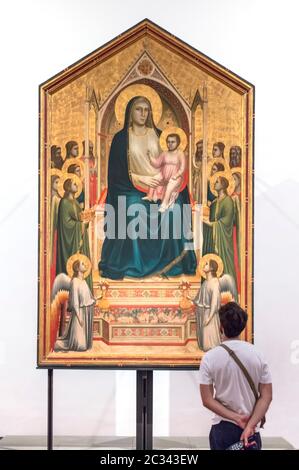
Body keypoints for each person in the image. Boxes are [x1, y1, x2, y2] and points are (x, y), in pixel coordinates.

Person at [98, 95, 197, 279]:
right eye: (139, 109)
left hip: (160, 187)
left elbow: (172, 163)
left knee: (174, 209)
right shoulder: (121, 139)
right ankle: (134, 264)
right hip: (130, 188)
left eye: (146, 110)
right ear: (129, 111)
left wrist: (172, 187)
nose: (143, 113)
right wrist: (139, 177)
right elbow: (115, 174)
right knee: (132, 211)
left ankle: (171, 265)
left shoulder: (159, 135)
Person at [199, 302, 272, 450]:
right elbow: (266, 396)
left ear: (221, 327)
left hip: (223, 428)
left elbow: (207, 400)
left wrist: (236, 418)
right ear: (243, 326)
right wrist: (250, 425)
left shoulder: (210, 357)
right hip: (251, 429)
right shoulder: (258, 355)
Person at [56, 177, 92, 290]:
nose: (76, 184)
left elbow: (79, 217)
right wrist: (81, 224)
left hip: (80, 235)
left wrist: (86, 218)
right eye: (73, 183)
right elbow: (66, 224)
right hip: (71, 239)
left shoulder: (75, 202)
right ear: (67, 186)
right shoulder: (65, 202)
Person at [54, 258, 96, 352]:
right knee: (80, 346)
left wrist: (98, 298)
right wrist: (79, 316)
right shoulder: (75, 281)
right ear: (77, 268)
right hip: (79, 312)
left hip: (86, 312)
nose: (85, 265)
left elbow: (89, 298)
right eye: (82, 264)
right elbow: (75, 300)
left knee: (84, 346)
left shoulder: (84, 282)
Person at [202, 175, 237, 287]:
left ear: (223, 185)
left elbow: (226, 222)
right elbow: (211, 218)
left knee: (223, 264)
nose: (214, 184)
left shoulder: (228, 201)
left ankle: (225, 289)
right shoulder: (215, 203)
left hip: (223, 240)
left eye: (216, 182)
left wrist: (211, 224)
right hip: (212, 239)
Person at [143, 133, 186, 213]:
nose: (170, 144)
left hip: (176, 177)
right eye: (168, 142)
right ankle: (149, 196)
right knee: (155, 178)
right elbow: (157, 164)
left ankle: (164, 205)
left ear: (178, 143)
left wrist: (176, 176)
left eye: (173, 142)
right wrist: (149, 156)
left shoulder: (180, 154)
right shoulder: (164, 153)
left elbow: (182, 168)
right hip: (164, 175)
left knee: (170, 185)